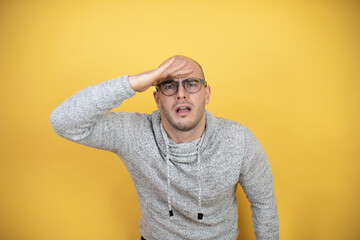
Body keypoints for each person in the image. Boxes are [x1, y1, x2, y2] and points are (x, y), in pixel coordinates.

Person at [50, 56, 279, 240]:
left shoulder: (239, 140)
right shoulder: (134, 133)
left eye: (191, 84)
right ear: (157, 99)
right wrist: (132, 83)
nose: (181, 93)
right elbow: (64, 121)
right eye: (169, 85)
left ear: (206, 94)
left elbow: (264, 204)